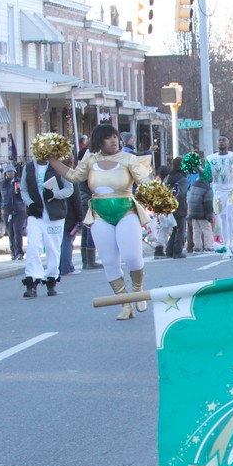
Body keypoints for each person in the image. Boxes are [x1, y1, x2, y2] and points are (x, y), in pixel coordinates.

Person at [49, 123, 153, 320]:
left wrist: (157, 194)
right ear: (99, 140)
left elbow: (146, 182)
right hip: (99, 213)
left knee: (132, 257)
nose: (114, 140)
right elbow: (73, 176)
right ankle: (124, 304)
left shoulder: (128, 158)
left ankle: (137, 291)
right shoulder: (90, 158)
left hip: (126, 210)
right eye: (108, 137)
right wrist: (52, 160)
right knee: (109, 262)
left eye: (115, 137)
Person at [20, 150, 74, 297]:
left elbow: (69, 189)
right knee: (33, 246)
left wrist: (55, 195)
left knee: (53, 248)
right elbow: (23, 189)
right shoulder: (29, 167)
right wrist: (30, 204)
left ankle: (51, 279)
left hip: (54, 215)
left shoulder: (58, 167)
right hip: (36, 214)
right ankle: (32, 281)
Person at [204, 136, 233, 256]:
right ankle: (226, 243)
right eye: (219, 140)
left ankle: (230, 243)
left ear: (228, 142)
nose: (221, 142)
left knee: (229, 215)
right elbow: (206, 175)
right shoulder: (211, 159)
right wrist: (196, 167)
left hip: (232, 189)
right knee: (222, 217)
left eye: (224, 140)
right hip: (219, 191)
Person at [0, 164, 27, 260]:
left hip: (19, 210)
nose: (10, 173)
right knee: (11, 232)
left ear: (15, 173)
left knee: (18, 231)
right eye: (8, 172)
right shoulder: (2, 184)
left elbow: (25, 194)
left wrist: (22, 201)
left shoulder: (19, 182)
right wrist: (1, 205)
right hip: (7, 212)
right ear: (5, 173)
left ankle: (19, 252)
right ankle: (13, 252)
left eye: (11, 171)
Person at [165, 157, 188, 258]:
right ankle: (178, 251)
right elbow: (181, 193)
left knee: (175, 229)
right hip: (179, 206)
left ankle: (169, 250)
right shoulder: (182, 178)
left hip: (169, 206)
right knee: (180, 229)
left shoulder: (170, 177)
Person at [187, 165, 215, 253]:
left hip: (193, 211)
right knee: (207, 229)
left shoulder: (193, 185)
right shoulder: (207, 188)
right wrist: (210, 215)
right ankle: (208, 245)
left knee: (196, 229)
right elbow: (208, 203)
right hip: (202, 212)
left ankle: (197, 246)